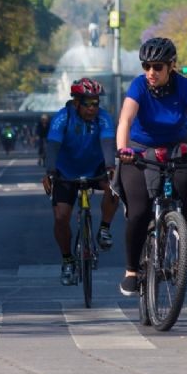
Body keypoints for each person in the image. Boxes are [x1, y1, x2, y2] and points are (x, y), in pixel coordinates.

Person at [114, 37, 187, 296]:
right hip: (138, 151)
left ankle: (184, 244)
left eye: (158, 67)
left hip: (176, 148)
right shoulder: (138, 86)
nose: (151, 73)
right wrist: (123, 150)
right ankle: (132, 270)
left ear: (171, 66)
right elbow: (125, 119)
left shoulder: (185, 87)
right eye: (146, 66)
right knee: (139, 212)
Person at [41, 78, 120, 286]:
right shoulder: (62, 117)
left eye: (96, 103)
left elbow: (107, 142)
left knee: (115, 186)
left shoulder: (103, 118)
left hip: (95, 168)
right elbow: (53, 145)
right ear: (76, 102)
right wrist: (50, 171)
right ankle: (67, 260)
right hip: (66, 171)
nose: (93, 108)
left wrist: (111, 166)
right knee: (61, 217)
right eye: (88, 104)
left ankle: (104, 229)